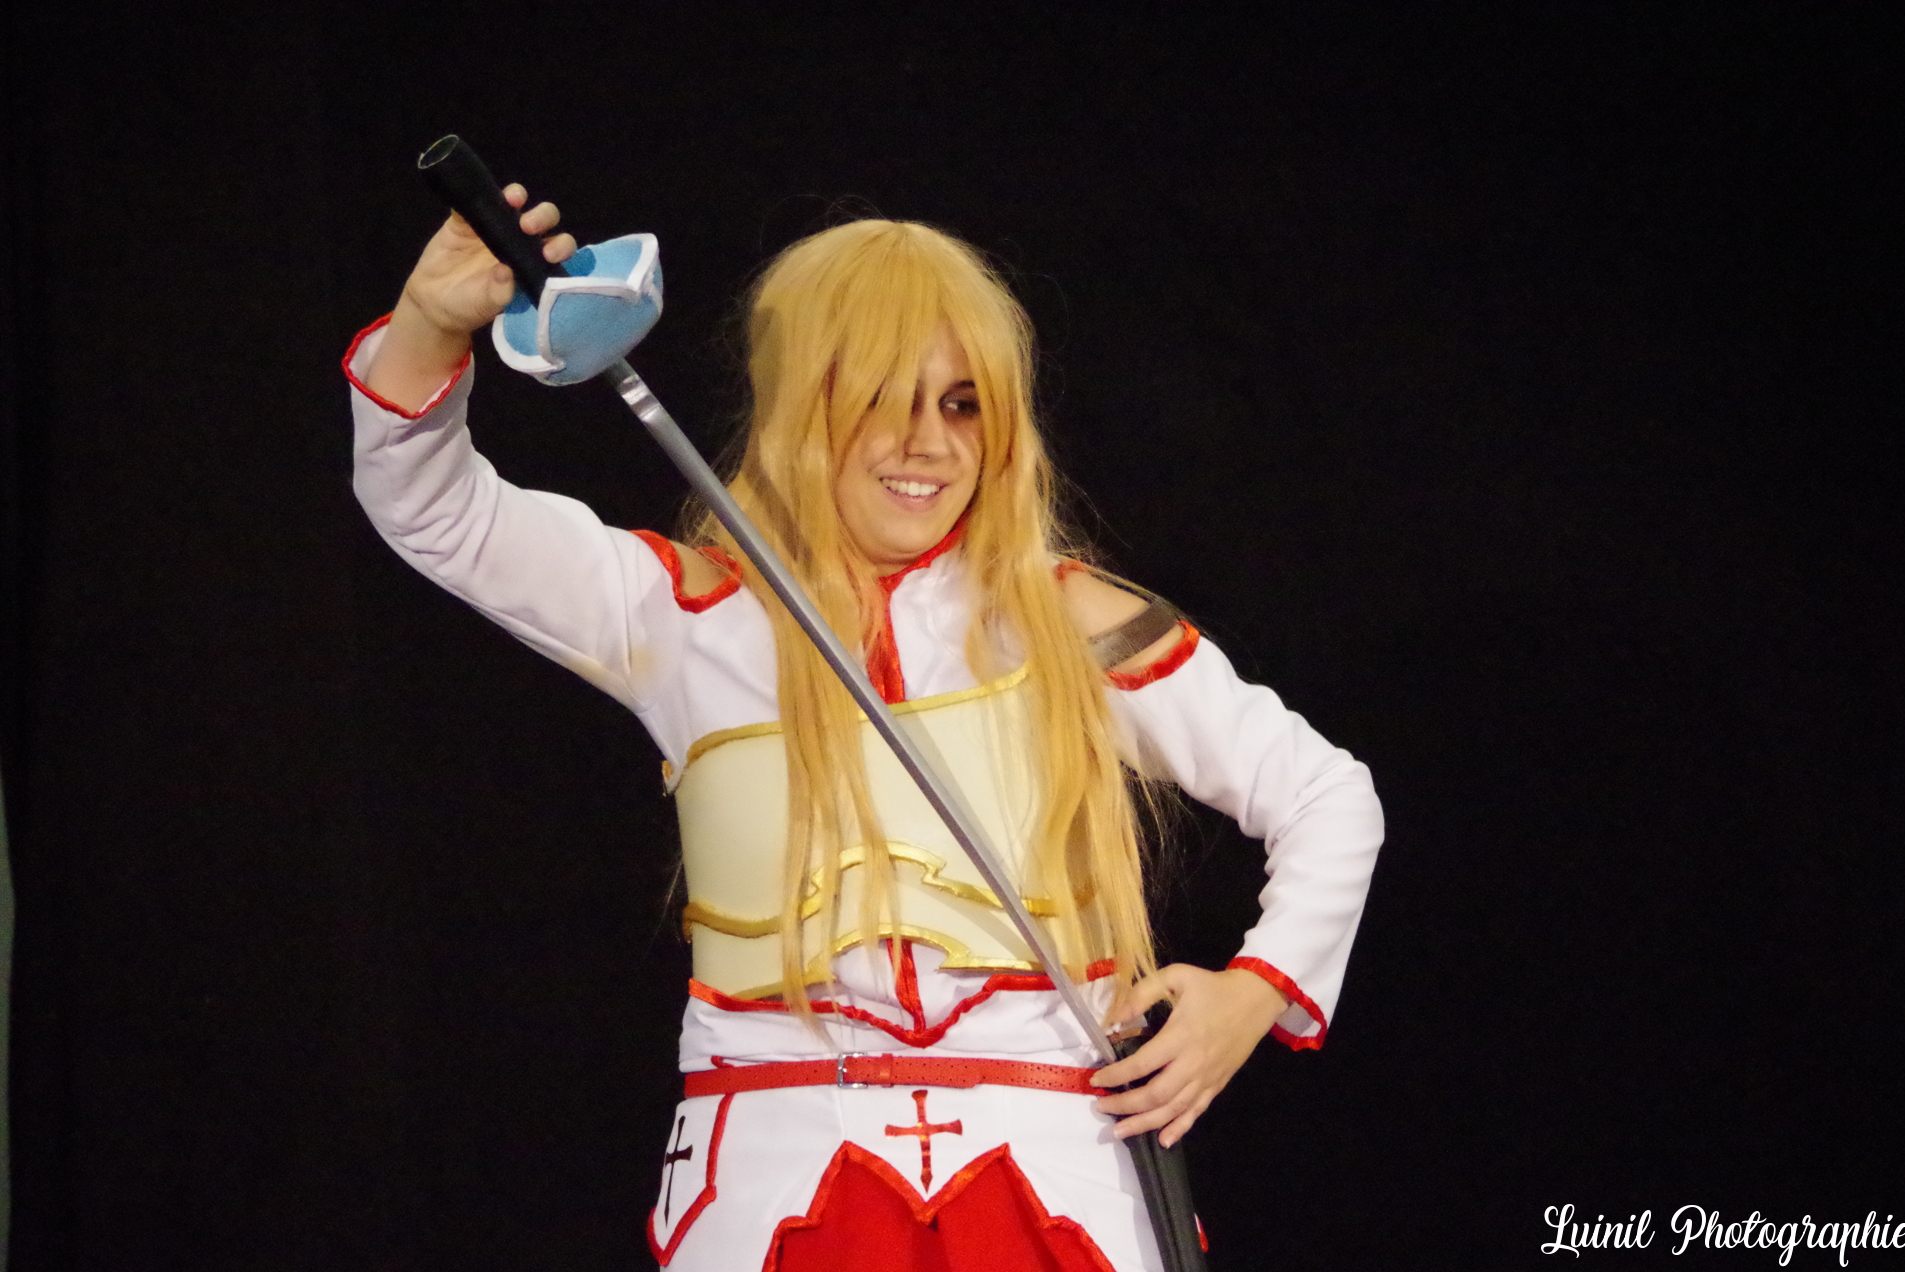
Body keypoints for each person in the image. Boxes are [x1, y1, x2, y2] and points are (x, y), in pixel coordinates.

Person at [345, 185, 1384, 1272]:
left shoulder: (1072, 619)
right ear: (803, 405)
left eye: (964, 405)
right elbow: (435, 512)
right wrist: (430, 324)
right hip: (777, 1180)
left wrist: (1253, 995)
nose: (927, 443)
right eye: (883, 397)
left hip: (1048, 1179)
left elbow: (1326, 796)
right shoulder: (681, 614)